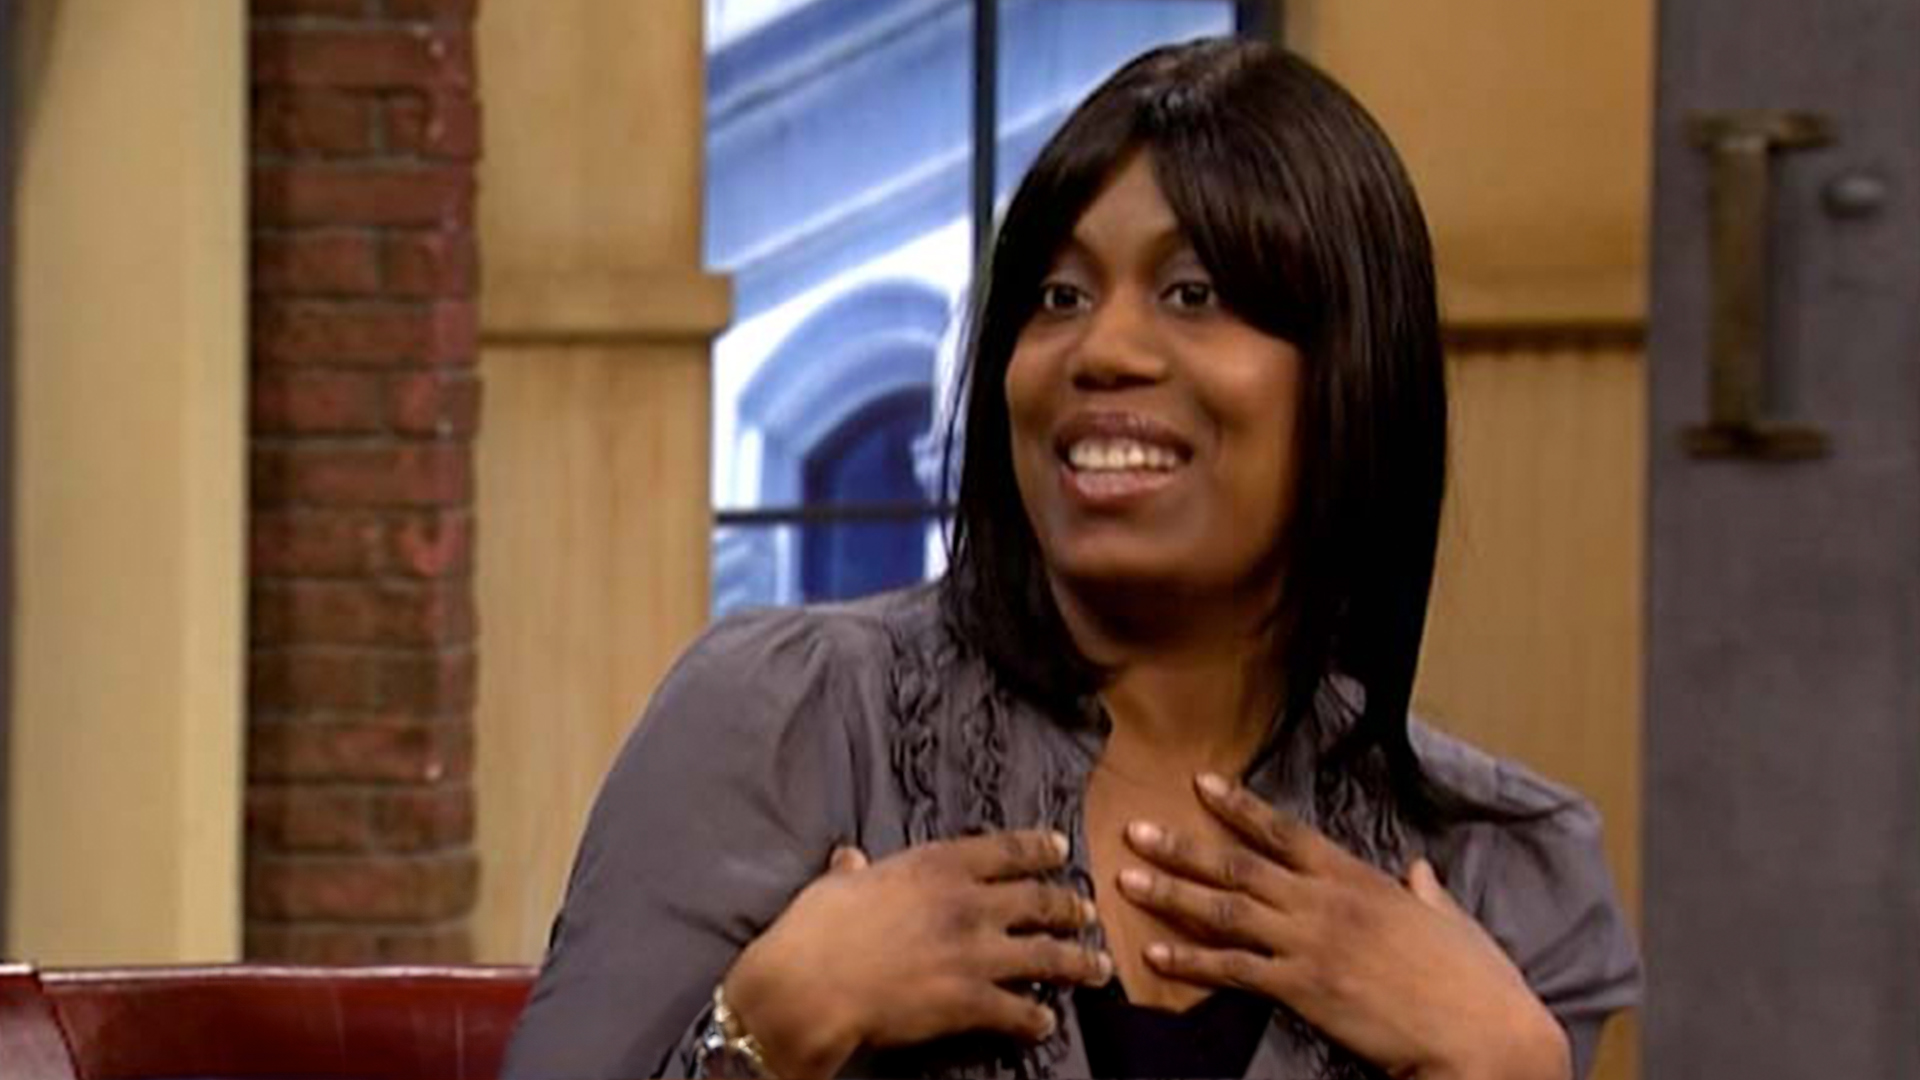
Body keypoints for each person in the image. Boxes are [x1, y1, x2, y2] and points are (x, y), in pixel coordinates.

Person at [501, 37, 1641, 1080]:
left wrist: (1506, 1070)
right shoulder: (784, 726)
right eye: (1058, 295)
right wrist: (768, 1029)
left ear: (1353, 377)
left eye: (1193, 294)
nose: (1102, 349)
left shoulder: (1498, 874)